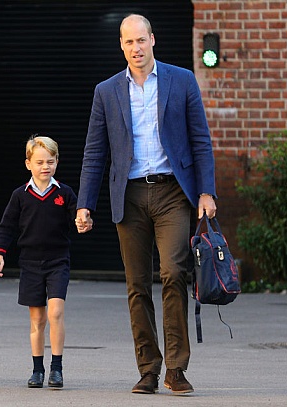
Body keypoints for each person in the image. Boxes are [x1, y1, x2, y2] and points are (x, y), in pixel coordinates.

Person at [75, 14, 217, 395]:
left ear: (153, 40)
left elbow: (200, 139)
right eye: (129, 42)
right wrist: (85, 203)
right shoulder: (106, 91)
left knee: (174, 272)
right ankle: (148, 369)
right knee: (137, 284)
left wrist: (206, 192)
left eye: (141, 40)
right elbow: (94, 152)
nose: (136, 48)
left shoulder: (182, 80)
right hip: (130, 195)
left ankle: (176, 368)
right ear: (121, 46)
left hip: (173, 193)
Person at [0, 135, 78, 389]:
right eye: (39, 162)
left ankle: (57, 368)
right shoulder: (20, 195)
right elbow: (6, 226)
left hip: (58, 261)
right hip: (30, 263)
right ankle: (37, 369)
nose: (45, 167)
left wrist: (83, 220)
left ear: (57, 162)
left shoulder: (64, 193)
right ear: (28, 164)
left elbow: (78, 217)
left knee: (56, 312)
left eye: (50, 161)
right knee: (37, 320)